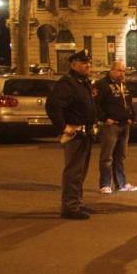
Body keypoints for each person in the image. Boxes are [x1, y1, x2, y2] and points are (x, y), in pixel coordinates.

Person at [45, 50, 97, 219]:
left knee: (80, 172)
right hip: (75, 133)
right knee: (73, 172)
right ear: (73, 64)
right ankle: (70, 207)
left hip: (85, 132)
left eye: (88, 62)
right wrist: (63, 127)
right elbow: (53, 105)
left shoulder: (82, 82)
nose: (88, 65)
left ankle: (76, 202)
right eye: (84, 63)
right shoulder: (67, 83)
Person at [95, 60, 137, 194]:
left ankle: (121, 183)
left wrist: (132, 117)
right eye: (120, 70)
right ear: (112, 70)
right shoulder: (101, 85)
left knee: (120, 156)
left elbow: (129, 102)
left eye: (124, 71)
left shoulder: (123, 85)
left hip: (124, 124)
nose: (122, 73)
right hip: (111, 125)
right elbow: (96, 104)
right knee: (107, 157)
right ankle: (105, 184)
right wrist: (104, 118)